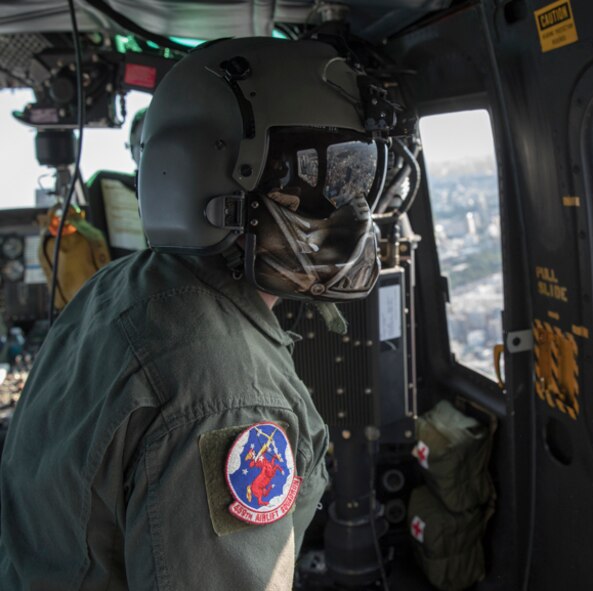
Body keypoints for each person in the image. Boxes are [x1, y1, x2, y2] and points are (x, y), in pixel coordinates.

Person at [0, 36, 387, 590]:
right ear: (209, 178)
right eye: (320, 180)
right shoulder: (229, 396)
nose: (351, 209)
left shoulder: (120, 285)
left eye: (358, 178)